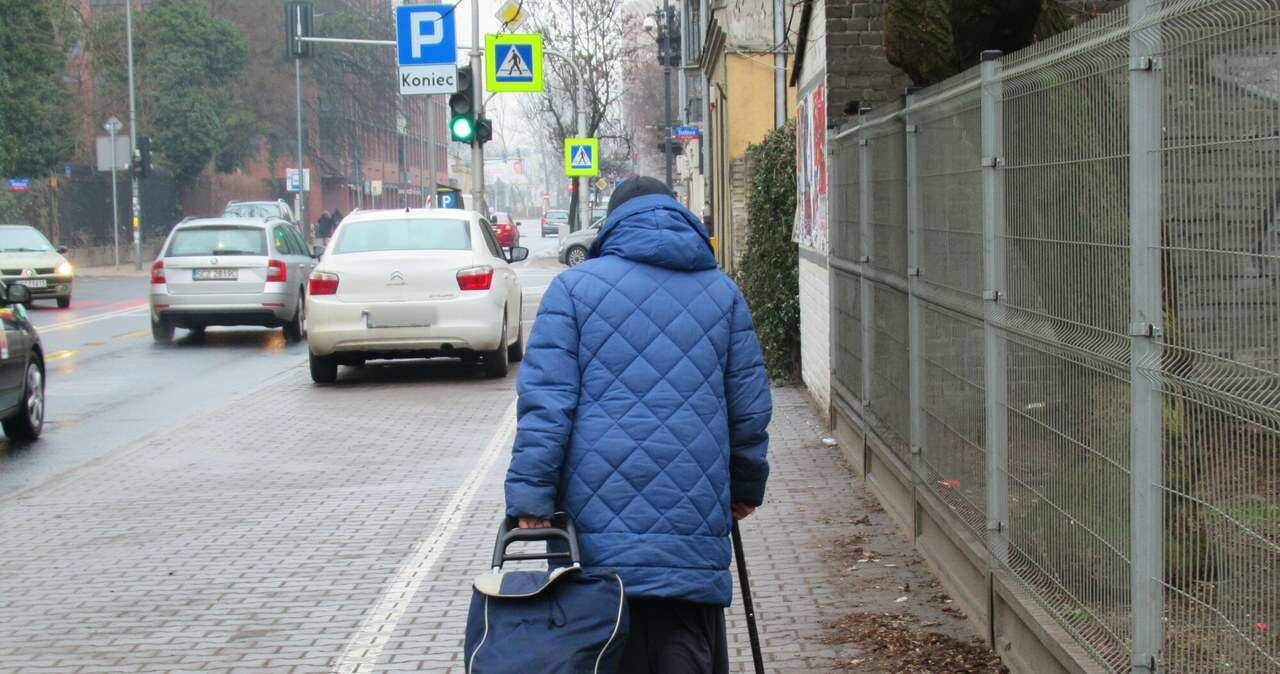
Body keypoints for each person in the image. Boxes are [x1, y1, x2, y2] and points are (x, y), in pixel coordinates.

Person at [504, 176, 772, 674]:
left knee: (598, 654)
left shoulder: (572, 290)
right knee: (683, 651)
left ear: (612, 224)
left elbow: (545, 406)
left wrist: (530, 501)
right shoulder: (722, 294)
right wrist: (745, 487)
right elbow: (749, 409)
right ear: (683, 219)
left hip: (594, 538)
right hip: (691, 530)